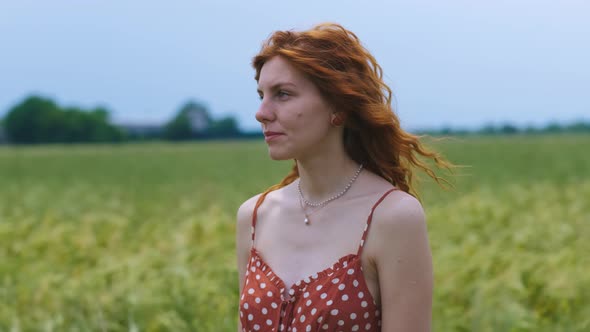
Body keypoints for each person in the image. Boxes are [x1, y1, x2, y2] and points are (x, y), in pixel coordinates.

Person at [236, 23, 452, 332]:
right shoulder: (254, 217)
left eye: (282, 94)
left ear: (337, 107)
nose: (261, 112)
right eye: (261, 95)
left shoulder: (391, 217)